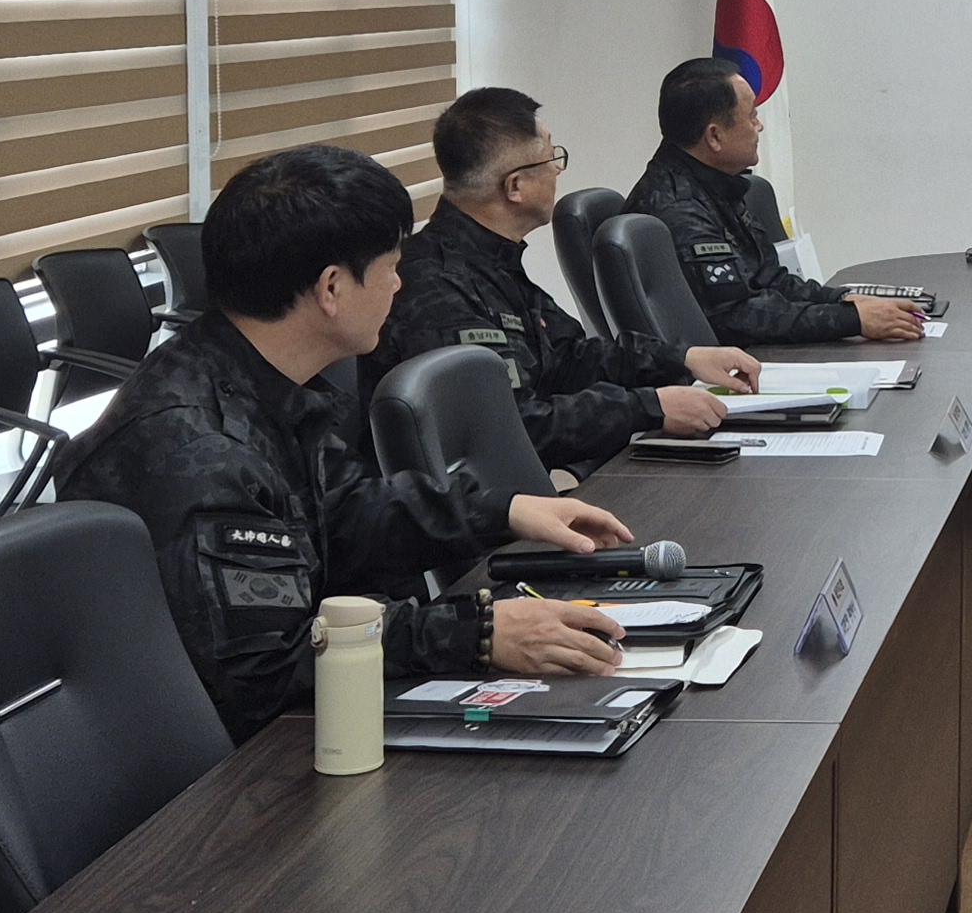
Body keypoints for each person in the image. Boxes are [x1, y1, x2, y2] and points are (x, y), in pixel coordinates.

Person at [59, 143, 637, 741]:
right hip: (241, 766)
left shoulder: (256, 377)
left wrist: (504, 511)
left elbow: (346, 515)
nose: (400, 284)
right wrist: (479, 632)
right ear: (331, 288)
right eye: (390, 267)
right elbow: (269, 668)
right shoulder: (199, 451)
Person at [378, 87, 769, 471]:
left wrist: (683, 358)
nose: (557, 170)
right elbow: (512, 424)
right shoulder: (438, 285)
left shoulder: (490, 258)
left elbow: (569, 357)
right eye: (552, 158)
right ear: (515, 186)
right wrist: (649, 408)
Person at [631, 57, 924, 346]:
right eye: (751, 116)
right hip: (721, 366)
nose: (759, 126)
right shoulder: (678, 208)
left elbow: (770, 280)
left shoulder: (715, 182)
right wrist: (852, 320)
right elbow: (736, 317)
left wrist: (843, 300)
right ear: (715, 136)